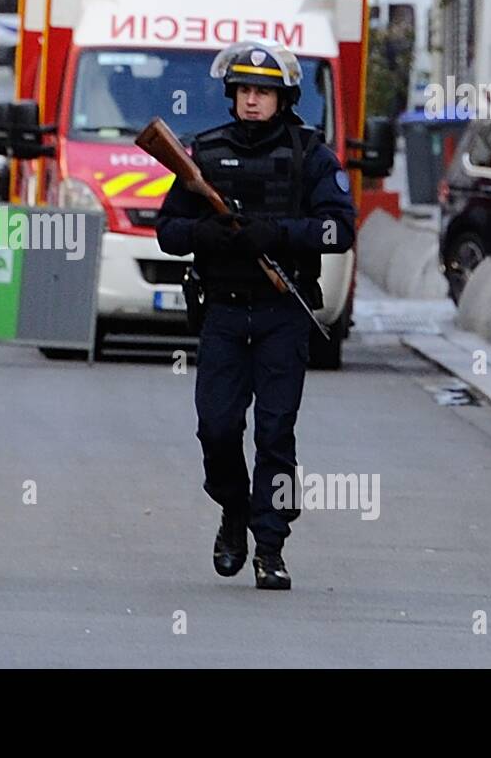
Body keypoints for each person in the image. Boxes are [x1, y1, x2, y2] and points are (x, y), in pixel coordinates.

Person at [155, 40, 356, 590]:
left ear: (283, 98)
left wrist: (280, 233)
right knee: (216, 429)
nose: (251, 101)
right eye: (244, 90)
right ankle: (233, 511)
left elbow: (340, 229)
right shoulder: (204, 153)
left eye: (262, 92)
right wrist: (205, 232)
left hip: (281, 313)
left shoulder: (311, 155)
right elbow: (168, 231)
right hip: (222, 312)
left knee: (275, 434)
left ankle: (270, 546)